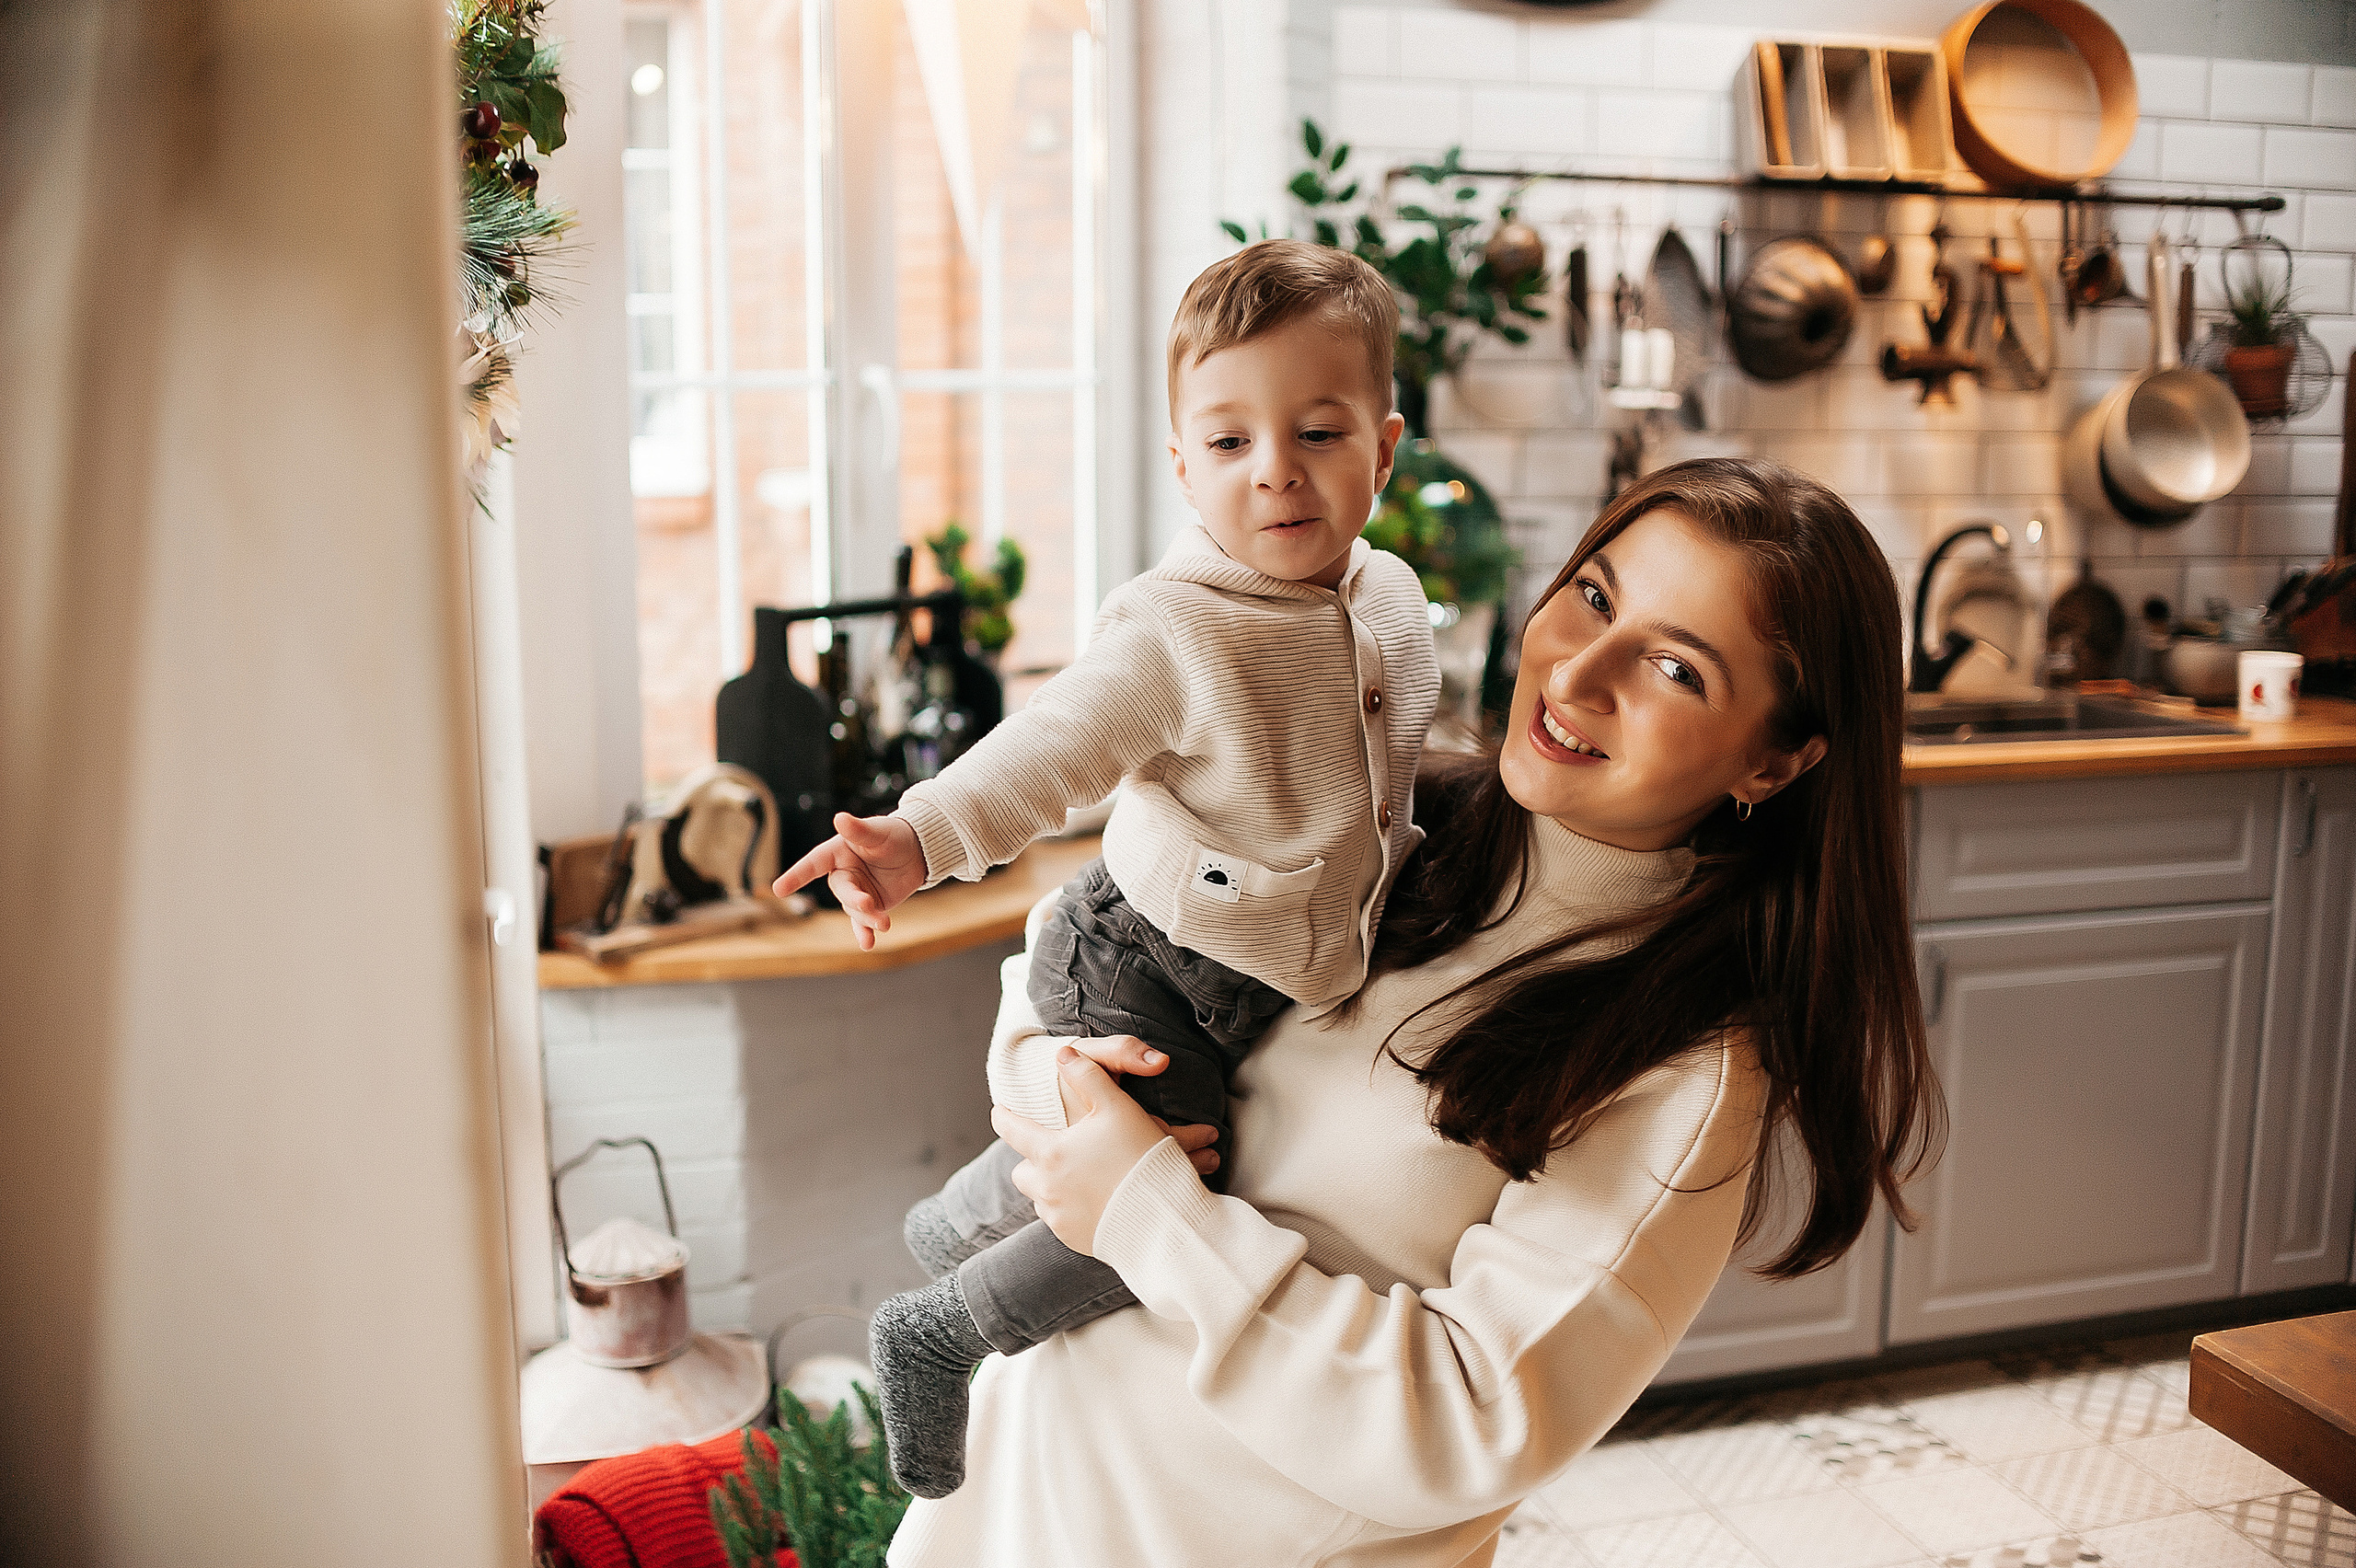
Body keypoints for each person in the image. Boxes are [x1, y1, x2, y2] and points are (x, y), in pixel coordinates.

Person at [885, 457, 1944, 1566]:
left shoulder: (1681, 1074)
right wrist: (1056, 1093)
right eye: (1593, 595)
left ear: (1774, 761)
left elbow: (1469, 1421)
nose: (1578, 674)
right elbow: (1084, 940)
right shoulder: (1386, 829)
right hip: (1003, 1519)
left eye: (1675, 668)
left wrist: (1145, 1212)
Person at [772, 239, 1439, 1498]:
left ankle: (960, 1217)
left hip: (1255, 972)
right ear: (1184, 466)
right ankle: (944, 1326)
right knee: (1166, 1196)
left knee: (1145, 1158)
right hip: (1138, 957)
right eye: (1231, 443)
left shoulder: (1394, 601)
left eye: (1319, 431)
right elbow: (1049, 750)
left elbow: (1385, 774)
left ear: (1385, 447)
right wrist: (915, 839)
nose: (1278, 473)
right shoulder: (1174, 627)